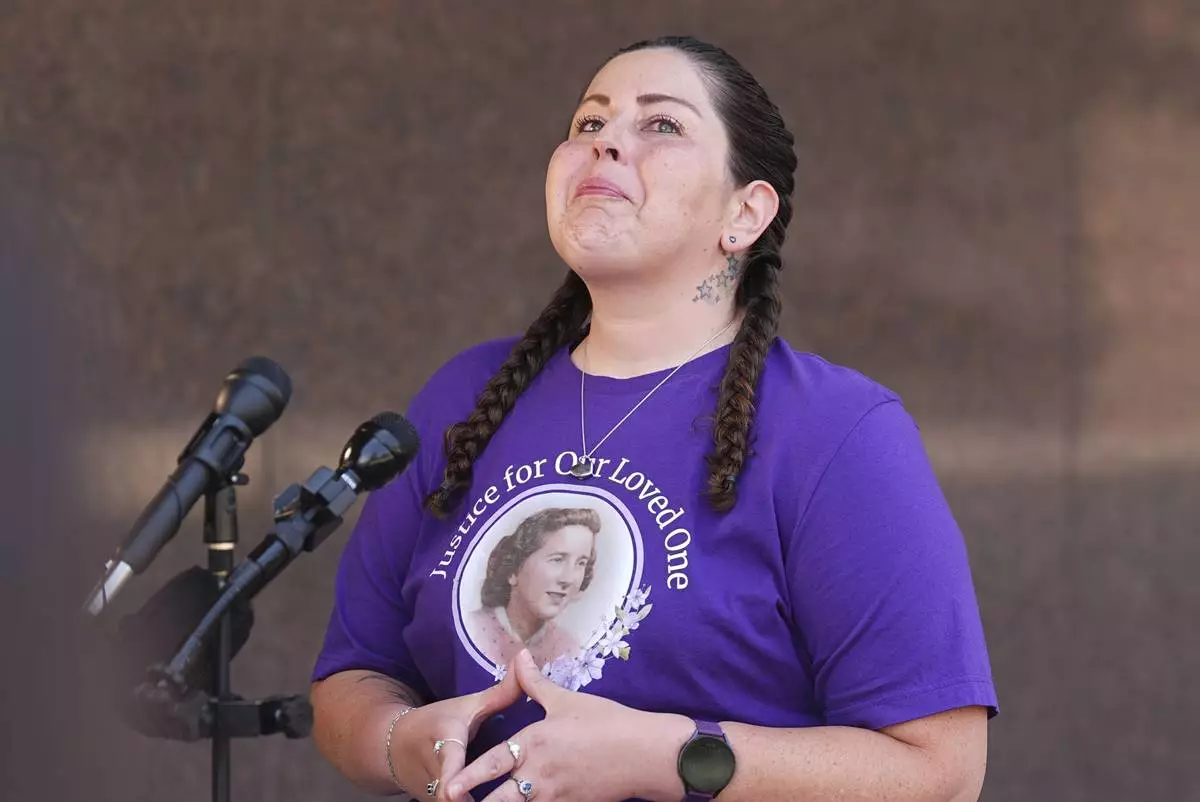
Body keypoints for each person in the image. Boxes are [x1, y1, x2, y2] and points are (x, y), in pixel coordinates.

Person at [310, 35, 998, 802]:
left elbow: (942, 773)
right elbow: (352, 677)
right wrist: (406, 743)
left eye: (661, 126)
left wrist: (666, 756)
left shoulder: (840, 432)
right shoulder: (461, 396)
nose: (605, 144)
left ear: (745, 212)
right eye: (588, 124)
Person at [466, 507, 600, 668]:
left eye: (581, 563)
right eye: (557, 559)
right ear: (514, 570)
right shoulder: (471, 630)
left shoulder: (570, 650)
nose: (568, 579)